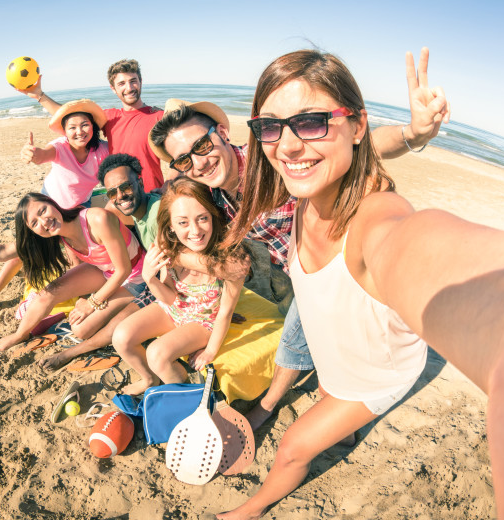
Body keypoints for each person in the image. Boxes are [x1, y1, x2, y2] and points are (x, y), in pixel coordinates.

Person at [216, 48, 504, 519]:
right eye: (270, 126)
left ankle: (252, 509)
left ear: (357, 124)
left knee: (292, 446)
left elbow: (423, 256)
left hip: (377, 372)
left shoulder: (375, 220)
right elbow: (368, 147)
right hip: (340, 357)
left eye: (309, 122)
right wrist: (412, 134)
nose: (286, 146)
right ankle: (343, 428)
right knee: (330, 398)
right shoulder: (307, 189)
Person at [147, 47, 449, 428]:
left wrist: (412, 134)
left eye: (202, 146)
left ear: (222, 133)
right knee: (315, 337)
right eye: (184, 160)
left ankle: (270, 405)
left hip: (319, 265)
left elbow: (359, 147)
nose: (199, 162)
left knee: (299, 335)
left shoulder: (270, 157)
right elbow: (178, 232)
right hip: (277, 271)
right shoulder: (207, 192)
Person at [0, 100, 111, 322]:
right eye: (72, 127)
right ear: (65, 131)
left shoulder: (102, 151)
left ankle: (75, 298)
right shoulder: (61, 146)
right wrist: (33, 154)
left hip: (78, 209)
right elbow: (43, 155)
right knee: (21, 253)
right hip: (47, 209)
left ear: (93, 126)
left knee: (76, 256)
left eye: (84, 125)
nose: (79, 131)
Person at [0, 193, 145, 352]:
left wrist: (92, 302)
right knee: (47, 293)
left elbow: (124, 269)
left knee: (81, 330)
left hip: (134, 274)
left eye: (43, 210)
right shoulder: (55, 233)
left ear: (52, 203)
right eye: (34, 223)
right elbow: (3, 251)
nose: (44, 221)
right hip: (104, 270)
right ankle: (19, 335)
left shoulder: (96, 219)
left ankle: (125, 308)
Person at [111, 177, 249, 395]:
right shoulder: (167, 245)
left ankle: (185, 390)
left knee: (157, 353)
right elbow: (170, 298)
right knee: (121, 336)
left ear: (213, 216)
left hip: (205, 321)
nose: (195, 231)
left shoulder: (230, 257)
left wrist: (210, 351)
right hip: (175, 309)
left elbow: (225, 312)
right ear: (171, 226)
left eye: (202, 218)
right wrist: (150, 279)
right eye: (183, 222)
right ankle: (149, 379)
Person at [38, 153, 162, 369]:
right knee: (82, 328)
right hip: (141, 275)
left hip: (156, 283)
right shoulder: (129, 210)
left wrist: (92, 302)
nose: (120, 195)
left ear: (139, 182)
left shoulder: (158, 214)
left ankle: (71, 353)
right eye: (112, 192)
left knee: (118, 324)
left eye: (126, 187)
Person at [18, 59, 165, 191]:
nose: (129, 87)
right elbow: (70, 115)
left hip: (152, 194)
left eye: (133, 81)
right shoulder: (111, 117)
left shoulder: (159, 117)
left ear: (140, 81)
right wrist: (39, 95)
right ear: (113, 89)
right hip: (120, 195)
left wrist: (168, 185)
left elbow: (177, 156)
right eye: (121, 83)